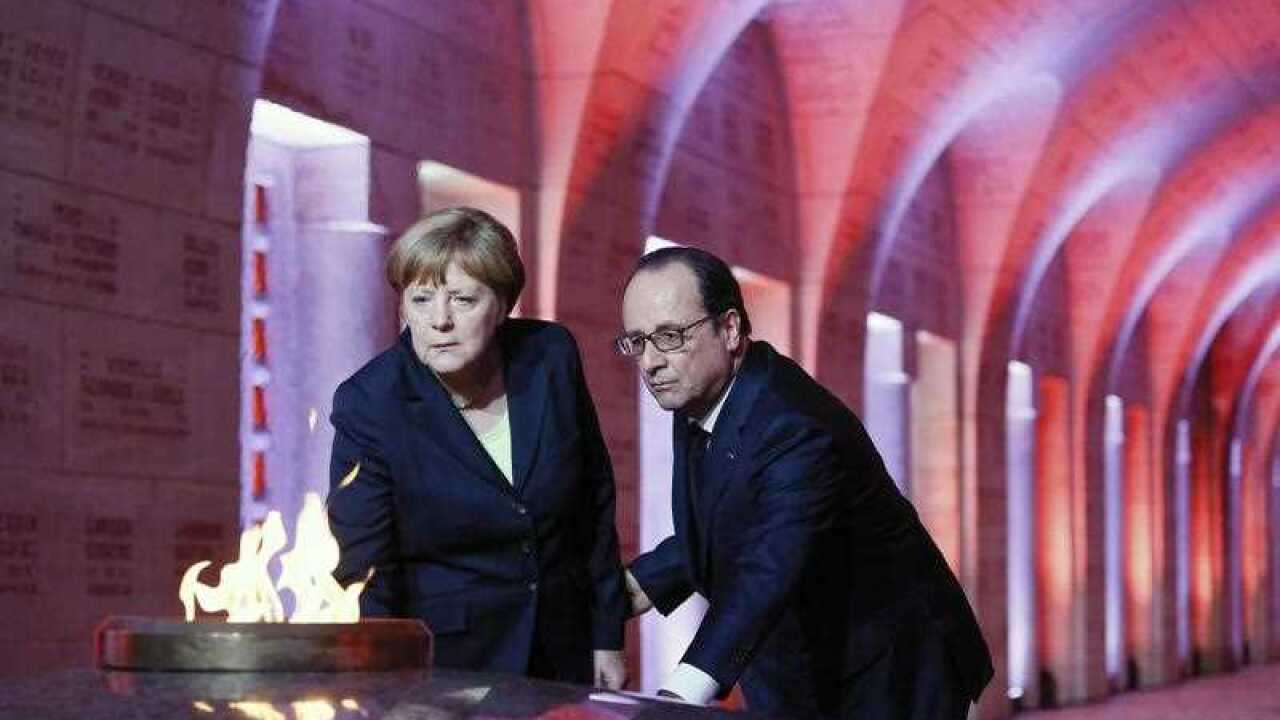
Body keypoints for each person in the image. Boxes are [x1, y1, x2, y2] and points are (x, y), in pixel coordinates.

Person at [618, 246, 993, 718]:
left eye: (670, 336)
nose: (650, 362)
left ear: (730, 329)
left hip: (889, 667)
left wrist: (679, 694)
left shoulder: (793, 423)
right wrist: (628, 589)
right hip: (804, 660)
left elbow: (769, 562)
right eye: (637, 341)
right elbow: (732, 518)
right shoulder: (699, 390)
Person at [327, 207, 626, 688]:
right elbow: (363, 565)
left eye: (463, 300)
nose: (439, 321)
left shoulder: (551, 356)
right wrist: (379, 682)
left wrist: (606, 635)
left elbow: (594, 501)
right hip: (444, 667)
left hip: (563, 650)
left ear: (504, 303)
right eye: (421, 300)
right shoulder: (370, 403)